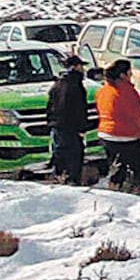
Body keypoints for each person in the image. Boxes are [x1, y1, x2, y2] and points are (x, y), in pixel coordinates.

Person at [95, 59, 140, 195]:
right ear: (123, 74)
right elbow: (139, 115)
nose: (131, 75)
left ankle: (116, 189)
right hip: (125, 135)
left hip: (106, 134)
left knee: (117, 165)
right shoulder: (128, 92)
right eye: (129, 72)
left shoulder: (103, 91)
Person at [46, 55, 89, 185]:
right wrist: (82, 128)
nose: (83, 69)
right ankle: (71, 181)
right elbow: (79, 109)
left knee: (59, 154)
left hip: (57, 125)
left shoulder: (58, 84)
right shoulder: (75, 85)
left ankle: (58, 177)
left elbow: (50, 106)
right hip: (70, 127)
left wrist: (50, 121)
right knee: (74, 156)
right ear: (75, 67)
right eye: (81, 66)